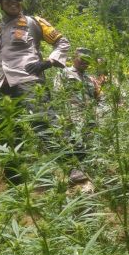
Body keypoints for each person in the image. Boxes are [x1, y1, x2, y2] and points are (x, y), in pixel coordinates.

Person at [0, 0, 73, 183]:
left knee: (45, 123)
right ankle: (14, 179)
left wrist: (48, 62)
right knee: (7, 131)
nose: (14, 2)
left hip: (29, 80)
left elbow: (62, 42)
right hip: (4, 85)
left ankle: (72, 167)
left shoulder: (34, 22)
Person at [54, 48, 100, 188]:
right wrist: (64, 114)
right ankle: (73, 172)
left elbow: (96, 97)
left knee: (88, 143)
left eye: (87, 61)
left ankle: (85, 171)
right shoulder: (64, 73)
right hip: (72, 114)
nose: (85, 63)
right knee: (75, 142)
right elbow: (58, 93)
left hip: (89, 115)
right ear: (75, 58)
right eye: (82, 60)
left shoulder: (89, 78)